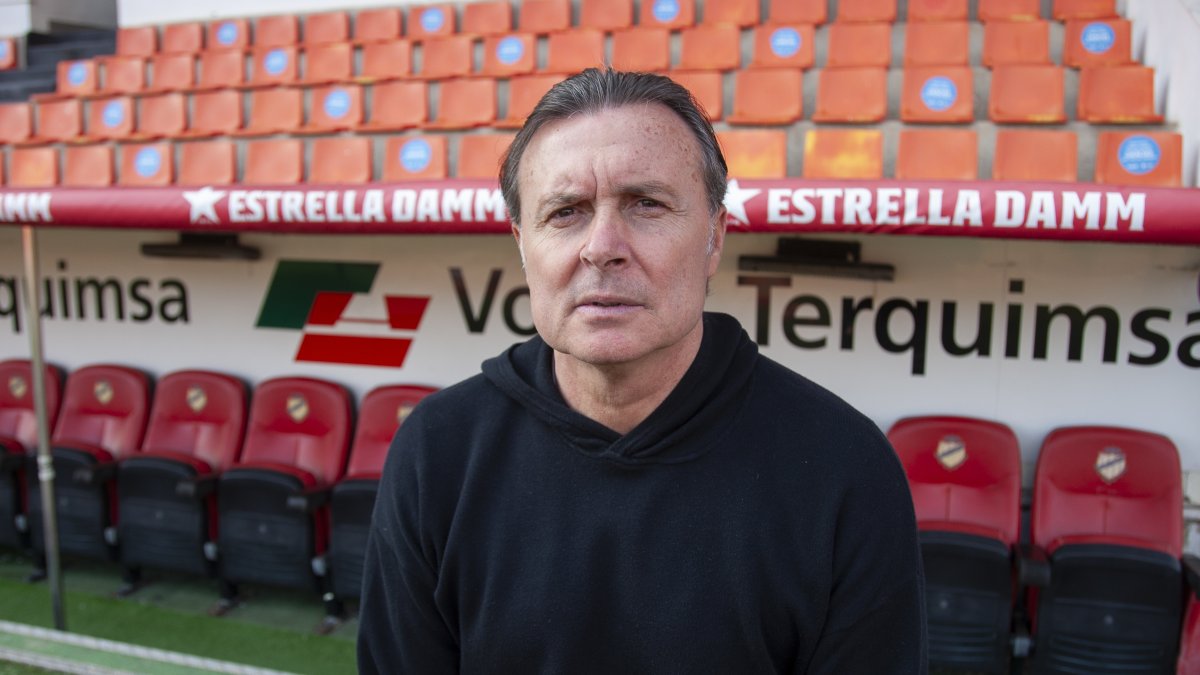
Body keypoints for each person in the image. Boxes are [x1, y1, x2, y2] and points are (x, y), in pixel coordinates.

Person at [358, 68, 927, 674]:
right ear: (523, 244)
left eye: (646, 204)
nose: (602, 245)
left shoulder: (846, 470)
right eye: (566, 211)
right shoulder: (437, 451)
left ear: (714, 237)